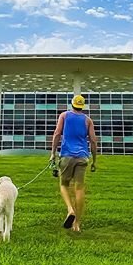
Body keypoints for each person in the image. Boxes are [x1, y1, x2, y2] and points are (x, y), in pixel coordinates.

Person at [50, 94, 98, 232]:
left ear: (72, 104)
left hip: (66, 156)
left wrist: (53, 153)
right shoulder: (88, 120)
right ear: (82, 106)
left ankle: (70, 209)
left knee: (64, 184)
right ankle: (77, 223)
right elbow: (93, 141)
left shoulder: (64, 116)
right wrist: (94, 160)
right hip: (82, 157)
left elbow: (57, 134)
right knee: (79, 188)